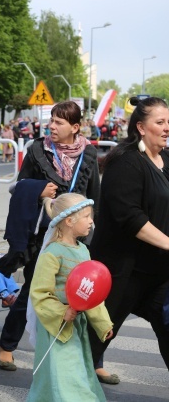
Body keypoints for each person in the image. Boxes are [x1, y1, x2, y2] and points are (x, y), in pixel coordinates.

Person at [0, 100, 107, 378]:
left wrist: (91, 236)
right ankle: (6, 345)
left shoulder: (89, 154)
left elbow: (95, 197)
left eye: (59, 122)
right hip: (42, 236)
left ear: (75, 127)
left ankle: (93, 361)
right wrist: (39, 191)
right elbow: (18, 186)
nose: (52, 126)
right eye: (52, 121)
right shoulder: (37, 150)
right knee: (34, 291)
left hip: (76, 239)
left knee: (82, 297)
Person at [88, 96, 169, 371]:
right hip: (122, 270)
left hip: (159, 272)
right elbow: (131, 218)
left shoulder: (166, 159)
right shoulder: (126, 163)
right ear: (142, 128)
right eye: (160, 122)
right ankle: (67, 385)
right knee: (97, 336)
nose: (167, 127)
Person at [27, 193, 113, 401]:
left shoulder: (83, 251)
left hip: (77, 324)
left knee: (77, 370)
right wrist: (61, 311)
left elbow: (90, 292)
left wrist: (103, 324)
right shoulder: (53, 253)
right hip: (56, 325)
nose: (91, 221)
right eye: (86, 216)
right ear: (69, 221)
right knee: (63, 374)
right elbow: (39, 292)